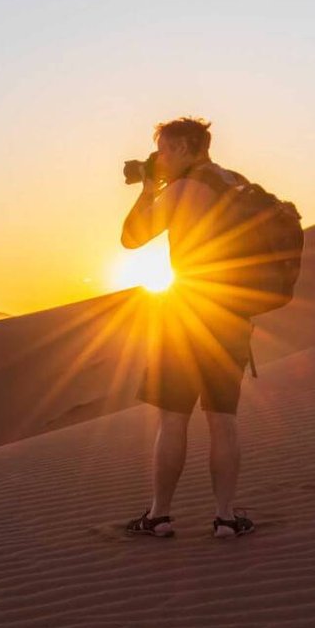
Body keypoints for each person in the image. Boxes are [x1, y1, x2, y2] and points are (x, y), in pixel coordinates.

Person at [118, 116, 256, 538]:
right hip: (232, 316)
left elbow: (132, 238)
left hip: (186, 314)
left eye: (162, 149)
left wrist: (147, 190)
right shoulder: (236, 182)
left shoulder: (184, 188)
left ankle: (159, 515)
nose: (158, 158)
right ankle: (226, 517)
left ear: (181, 148)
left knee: (173, 419)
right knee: (223, 420)